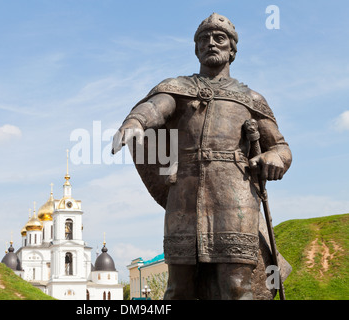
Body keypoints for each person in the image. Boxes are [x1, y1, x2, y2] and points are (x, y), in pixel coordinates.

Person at [112, 13, 292, 300]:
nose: (211, 43)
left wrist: (273, 159)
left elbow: (281, 148)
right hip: (184, 196)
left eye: (219, 38)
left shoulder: (251, 99)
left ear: (232, 49)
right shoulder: (179, 88)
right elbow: (157, 107)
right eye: (204, 39)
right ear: (196, 48)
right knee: (178, 289)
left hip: (235, 198)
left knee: (236, 287)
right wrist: (135, 122)